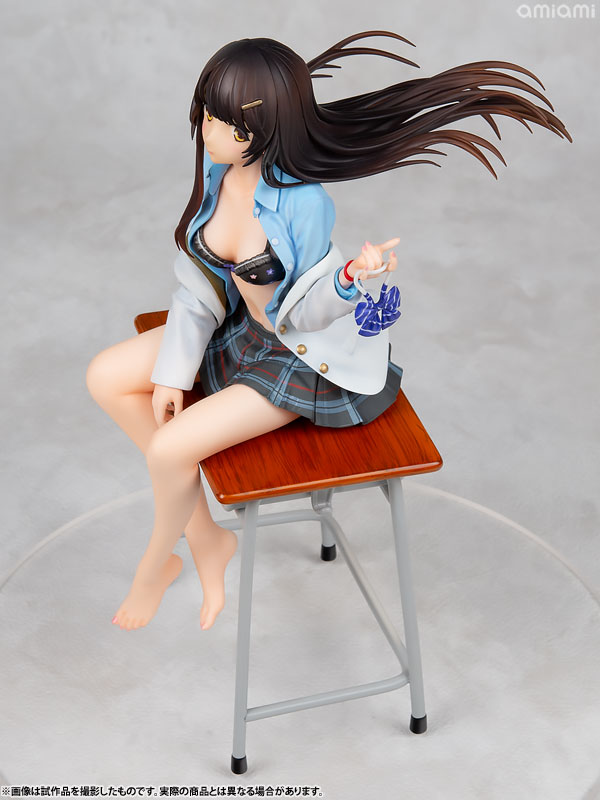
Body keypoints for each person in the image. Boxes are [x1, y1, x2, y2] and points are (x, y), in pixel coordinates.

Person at [86, 31, 571, 632]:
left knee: (169, 449)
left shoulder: (304, 203)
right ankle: (206, 537)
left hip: (298, 357)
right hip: (239, 331)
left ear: (265, 127)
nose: (209, 131)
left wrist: (348, 278)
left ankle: (154, 568)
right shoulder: (218, 175)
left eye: (227, 123)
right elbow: (198, 284)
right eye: (208, 114)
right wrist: (173, 372)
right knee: (105, 376)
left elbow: (308, 312)